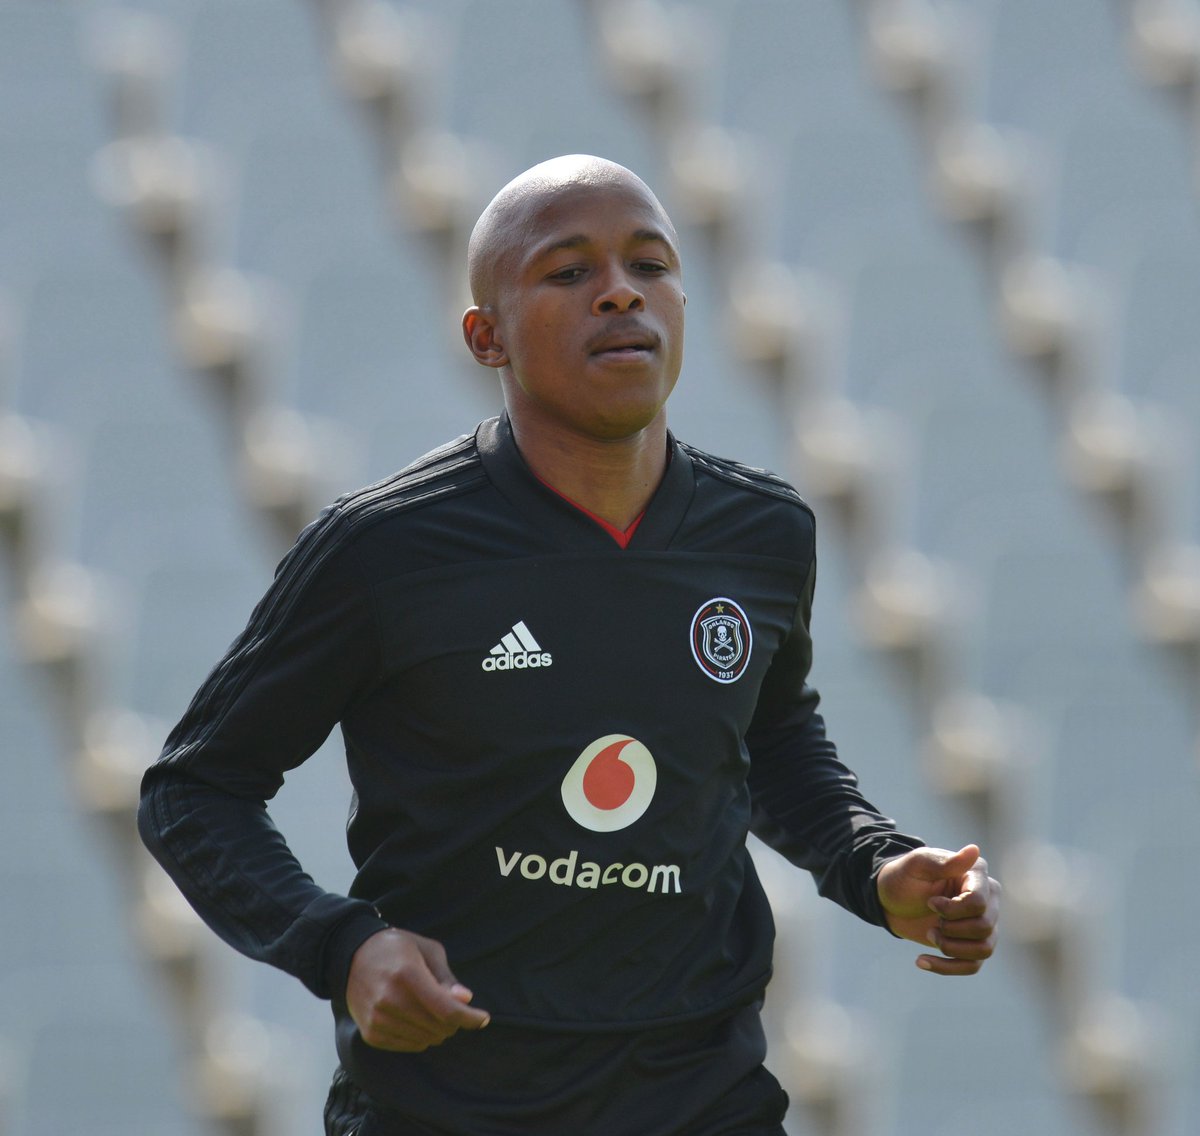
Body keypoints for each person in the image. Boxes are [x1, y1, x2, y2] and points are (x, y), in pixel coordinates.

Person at [139, 155, 1000, 1136]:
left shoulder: (763, 533)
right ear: (486, 336)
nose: (622, 291)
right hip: (446, 1106)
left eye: (651, 264)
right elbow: (193, 788)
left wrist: (876, 865)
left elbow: (764, 740)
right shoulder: (385, 549)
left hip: (702, 1099)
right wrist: (343, 947)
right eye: (569, 270)